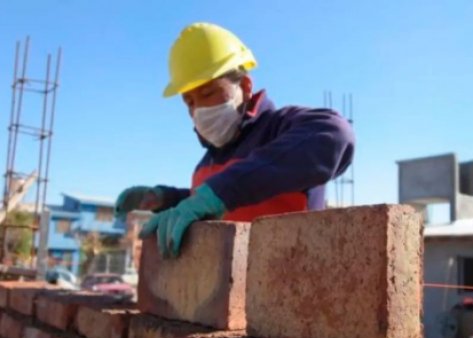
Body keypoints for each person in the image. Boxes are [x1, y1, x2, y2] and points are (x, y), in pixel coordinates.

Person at [115, 22, 355, 258]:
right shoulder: (206, 162)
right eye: (189, 101)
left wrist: (221, 192)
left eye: (208, 93)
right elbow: (208, 204)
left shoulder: (282, 128)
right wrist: (166, 198)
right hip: (225, 291)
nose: (198, 109)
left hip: (289, 284)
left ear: (246, 86)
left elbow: (335, 134)